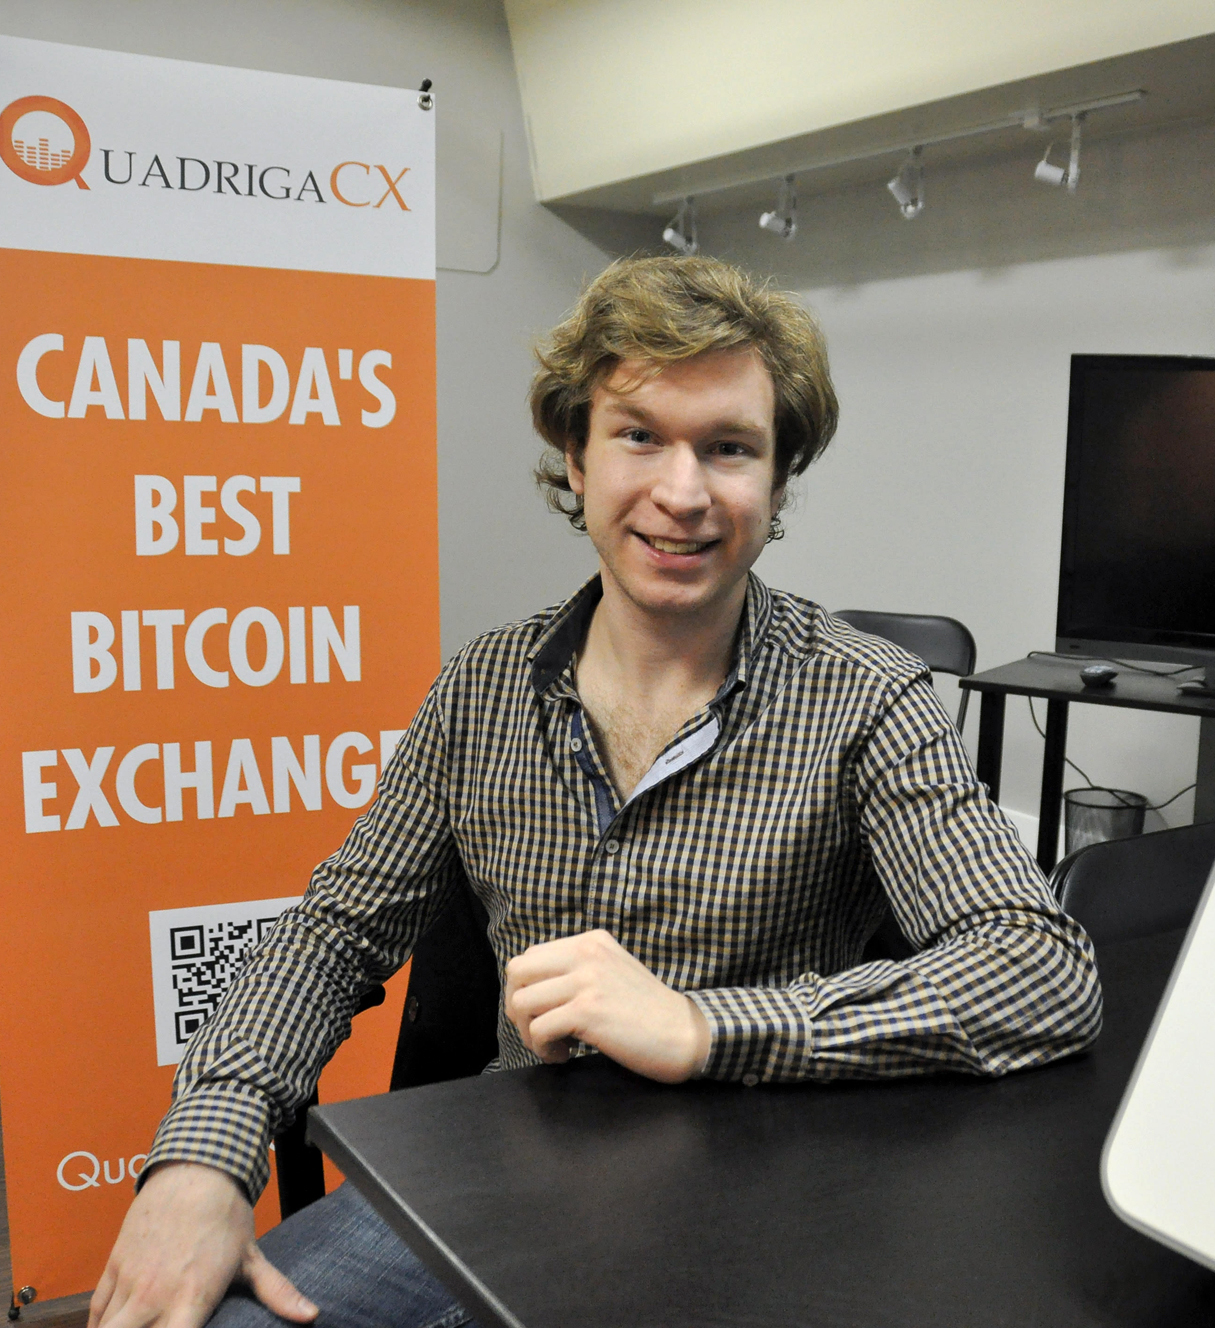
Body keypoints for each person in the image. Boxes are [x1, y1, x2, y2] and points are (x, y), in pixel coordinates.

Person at [89, 256, 1101, 1328]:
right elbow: (330, 933)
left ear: (776, 478)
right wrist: (201, 1154)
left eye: (728, 447)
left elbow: (1038, 971)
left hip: (762, 1193)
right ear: (572, 455)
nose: (682, 491)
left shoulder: (866, 701)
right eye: (638, 435)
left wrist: (705, 1028)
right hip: (503, 1177)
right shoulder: (482, 687)